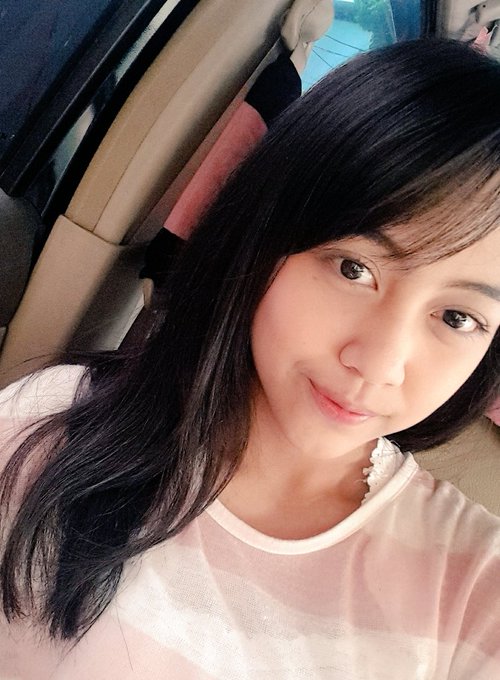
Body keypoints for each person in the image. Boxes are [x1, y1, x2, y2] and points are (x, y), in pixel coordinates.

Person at [1, 38, 500, 679]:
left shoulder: (472, 590)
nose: (379, 365)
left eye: (457, 318)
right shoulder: (55, 423)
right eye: (354, 269)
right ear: (265, 237)